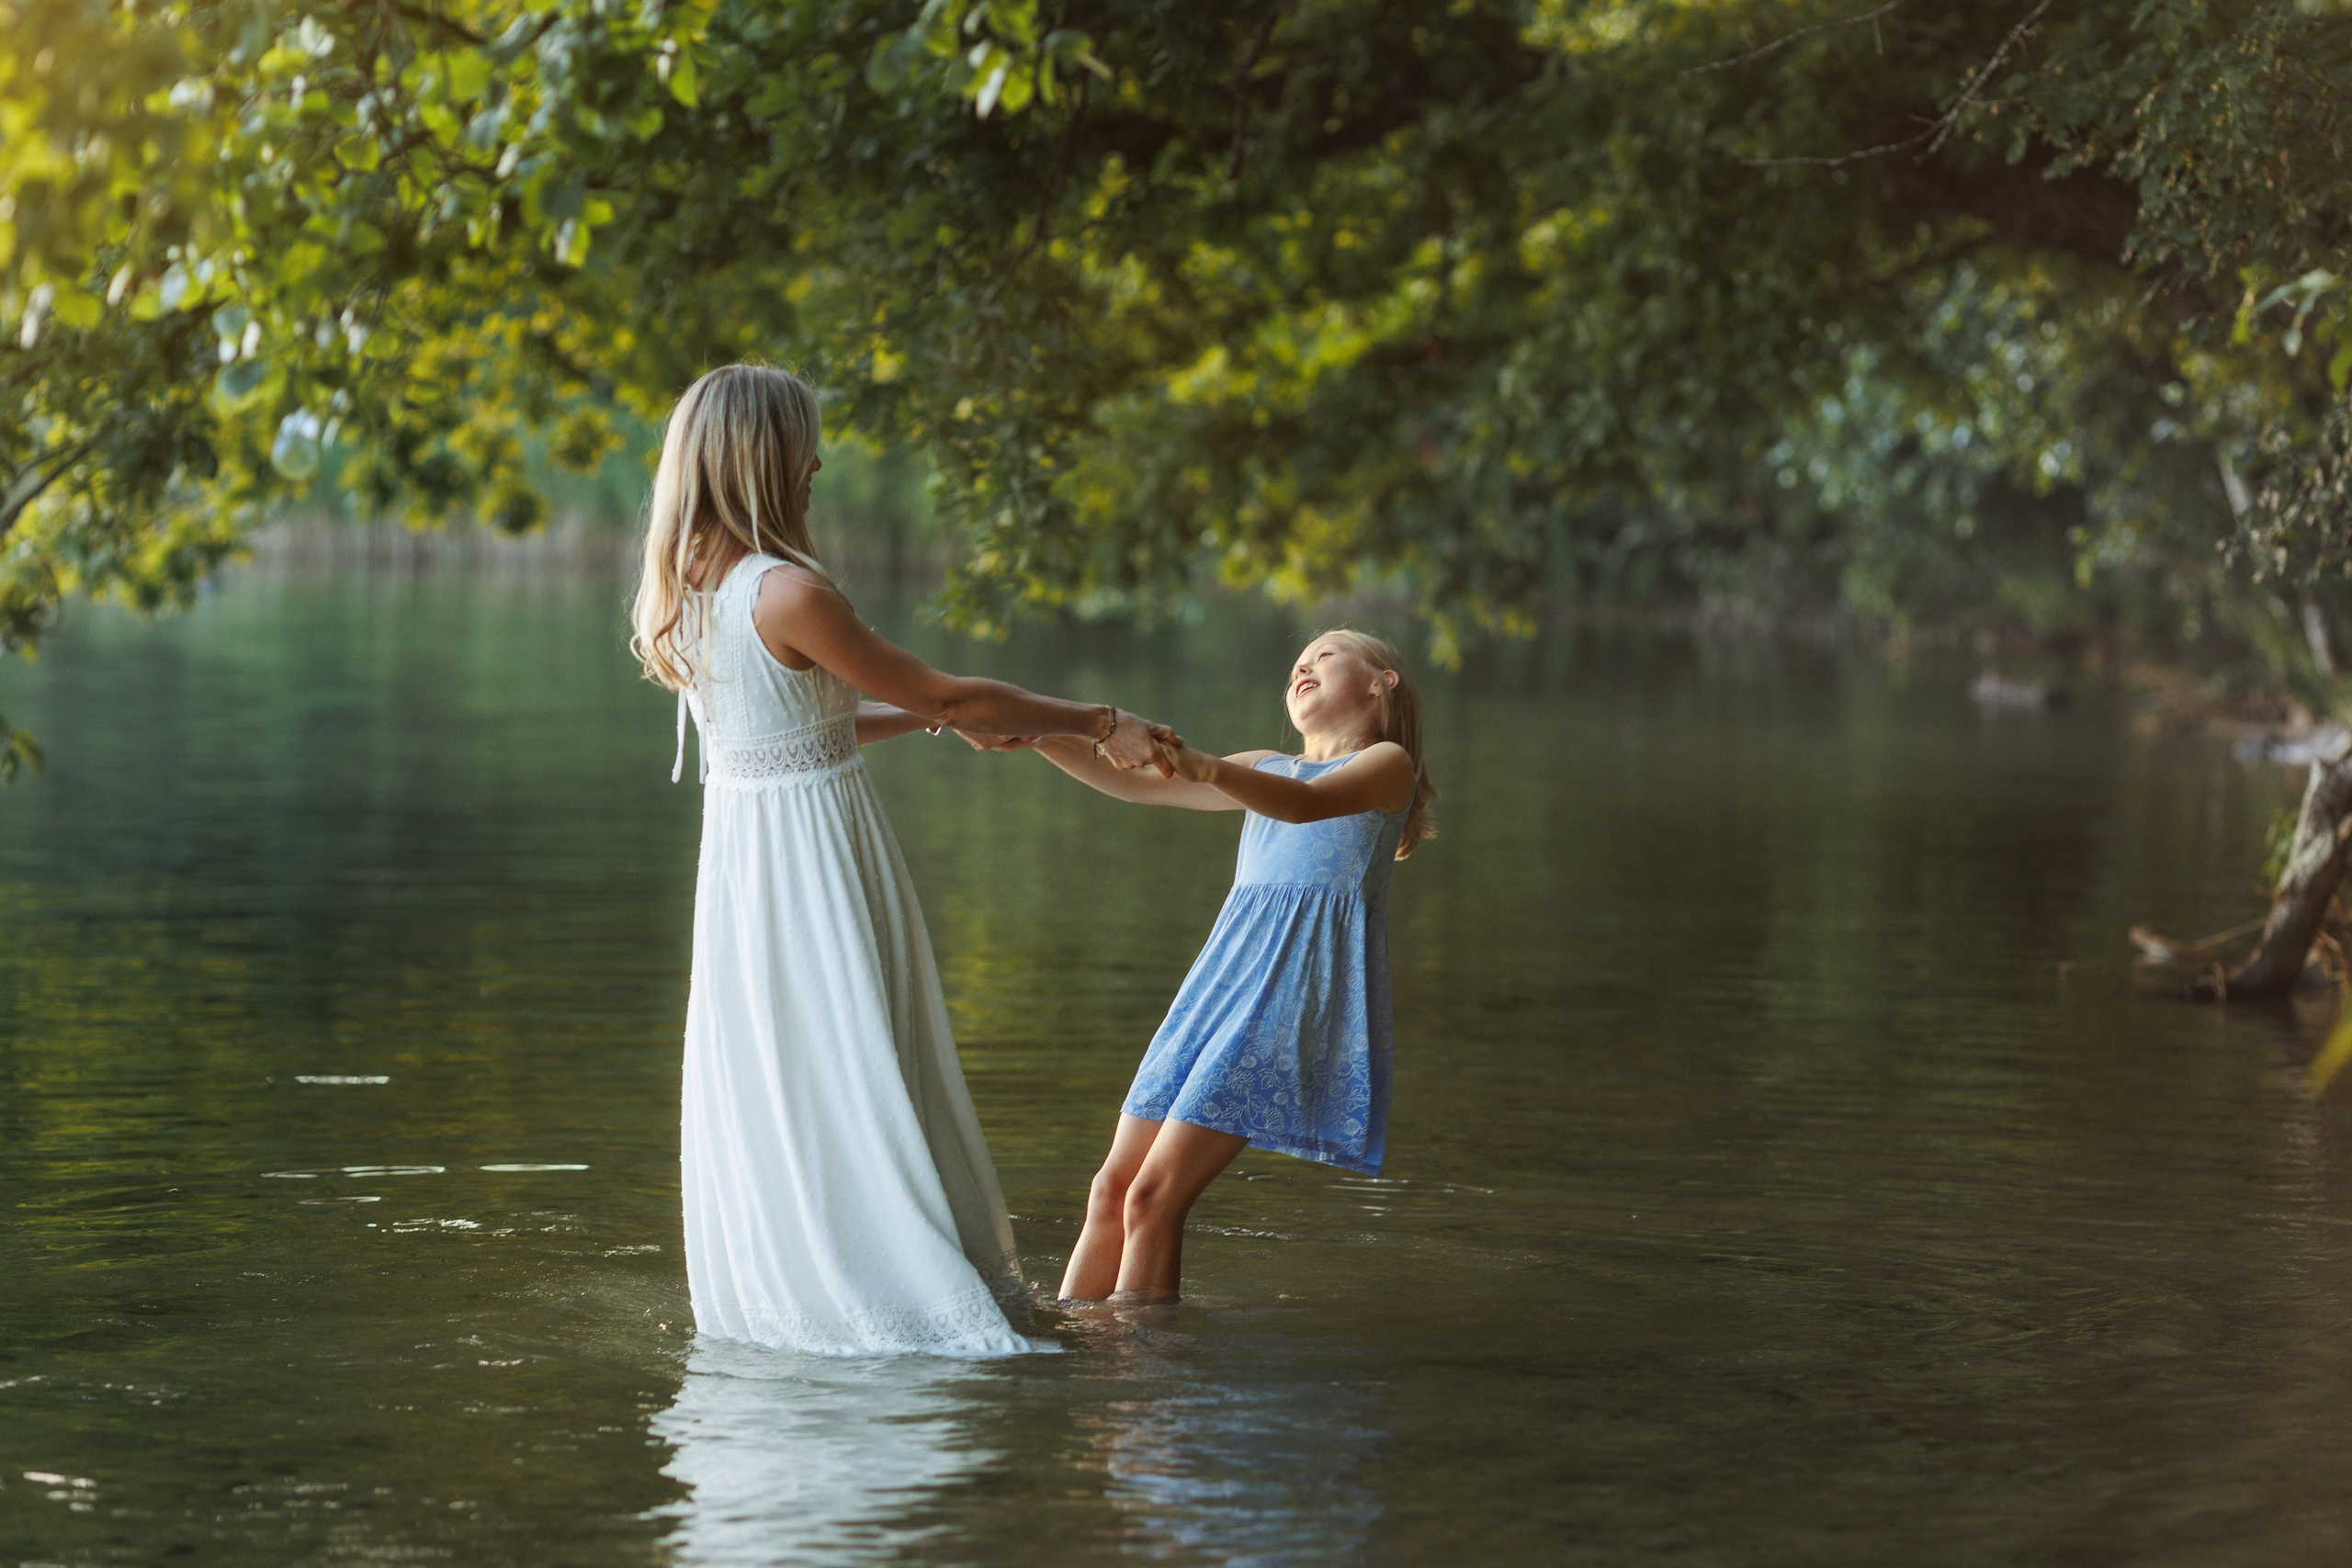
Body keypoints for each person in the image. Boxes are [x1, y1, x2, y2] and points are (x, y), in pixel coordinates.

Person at [628, 362, 1177, 1355]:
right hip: (816, 868)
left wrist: (926, 726)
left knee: (799, 1073)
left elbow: (789, 728)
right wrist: (1100, 720)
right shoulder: (786, 590)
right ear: (768, 458)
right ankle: (902, 1294)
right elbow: (949, 693)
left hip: (750, 877)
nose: (820, 464)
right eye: (806, 446)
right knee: (858, 1060)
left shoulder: (687, 593)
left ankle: (802, 1283)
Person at [1004, 629, 1436, 1303]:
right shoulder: (1268, 765)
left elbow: (1305, 806)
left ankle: (1143, 1386)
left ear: (1384, 682)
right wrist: (1039, 737)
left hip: (1288, 995)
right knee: (1111, 1189)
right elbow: (1139, 786)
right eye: (1299, 659)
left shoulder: (1387, 765)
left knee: (1153, 1197)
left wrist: (1202, 764)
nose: (1304, 664)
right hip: (1216, 990)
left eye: (1327, 655)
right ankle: (1077, 1358)